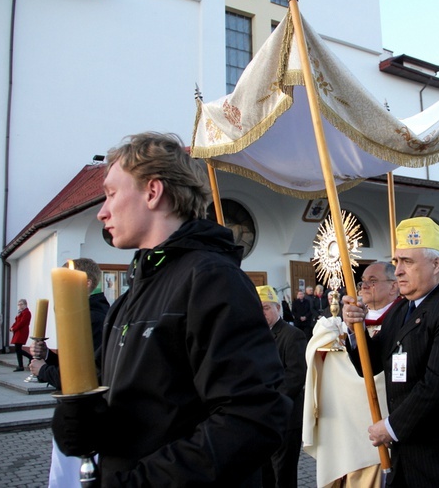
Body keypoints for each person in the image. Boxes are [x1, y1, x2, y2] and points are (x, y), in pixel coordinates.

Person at [50, 132, 290, 486]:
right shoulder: (132, 295)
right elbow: (143, 407)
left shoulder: (211, 279)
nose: (102, 211)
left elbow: (252, 417)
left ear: (152, 192)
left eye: (112, 193)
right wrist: (79, 421)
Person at [342, 217, 439, 487]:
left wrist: (391, 427)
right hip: (413, 453)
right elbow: (372, 364)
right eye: (396, 262)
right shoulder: (403, 309)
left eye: (407, 262)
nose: (398, 271)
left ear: (436, 264)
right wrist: (353, 331)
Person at [303, 261, 400, 486]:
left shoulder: (401, 318)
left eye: (373, 282)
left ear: (394, 286)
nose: (364, 286)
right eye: (362, 282)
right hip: (343, 424)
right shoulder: (348, 320)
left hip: (385, 423)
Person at [29, 258, 110, 488]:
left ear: (86, 284)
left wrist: (44, 370)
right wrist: (48, 357)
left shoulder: (94, 318)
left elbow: (88, 377)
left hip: (85, 417)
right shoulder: (91, 313)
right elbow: (77, 364)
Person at [257, 286, 306, 488]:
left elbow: (295, 376)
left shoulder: (292, 335)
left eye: (266, 308)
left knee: (283, 475)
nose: (262, 313)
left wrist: (271, 403)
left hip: (285, 417)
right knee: (264, 473)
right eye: (258, 308)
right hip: (261, 418)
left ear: (278, 308)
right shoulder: (256, 335)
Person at [10, 299, 32, 371]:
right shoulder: (20, 313)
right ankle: (20, 365)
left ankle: (30, 357)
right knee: (18, 349)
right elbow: (16, 321)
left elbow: (22, 323)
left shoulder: (27, 312)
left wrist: (14, 328)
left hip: (22, 331)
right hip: (18, 331)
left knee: (18, 349)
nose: (20, 306)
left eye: (21, 304)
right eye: (19, 304)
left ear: (25, 304)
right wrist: (12, 327)